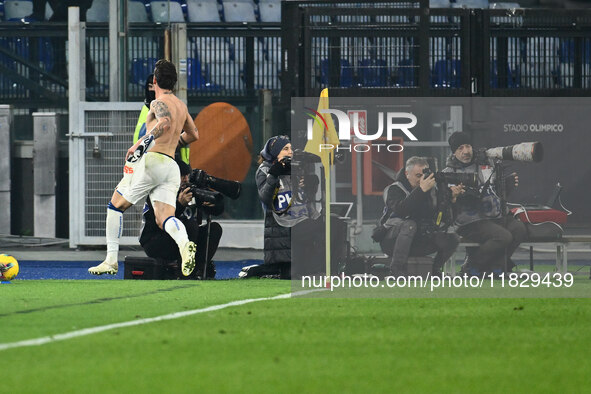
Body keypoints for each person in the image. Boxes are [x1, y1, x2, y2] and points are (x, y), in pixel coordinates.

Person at [89, 59, 199, 276]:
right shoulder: (182, 105)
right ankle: (184, 243)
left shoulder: (158, 102)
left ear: (155, 80)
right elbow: (194, 135)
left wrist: (142, 143)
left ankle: (111, 260)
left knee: (115, 205)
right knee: (163, 218)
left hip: (153, 161)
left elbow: (164, 123)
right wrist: (174, 142)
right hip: (170, 166)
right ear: (174, 82)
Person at [252, 135, 346, 279]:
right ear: (275, 152)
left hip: (303, 218)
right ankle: (316, 270)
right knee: (327, 228)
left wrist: (310, 183)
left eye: (291, 148)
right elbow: (265, 198)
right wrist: (274, 175)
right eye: (285, 149)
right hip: (285, 224)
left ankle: (330, 269)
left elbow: (305, 197)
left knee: (337, 223)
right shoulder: (265, 170)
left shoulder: (295, 167)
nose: (290, 152)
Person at [442, 131, 527, 274]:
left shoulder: (486, 165)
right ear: (454, 152)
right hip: (469, 221)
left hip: (493, 216)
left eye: (468, 146)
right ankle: (471, 266)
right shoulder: (448, 172)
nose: (466, 151)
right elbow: (445, 201)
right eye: (460, 148)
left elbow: (496, 193)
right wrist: (455, 194)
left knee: (519, 229)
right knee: (503, 237)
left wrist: (506, 186)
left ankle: (497, 266)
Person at [374, 156, 462, 276]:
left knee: (453, 237)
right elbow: (402, 210)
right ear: (407, 174)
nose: (422, 179)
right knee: (409, 225)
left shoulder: (433, 191)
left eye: (424, 175)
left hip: (418, 241)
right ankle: (397, 271)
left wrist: (452, 200)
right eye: (418, 176)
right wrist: (421, 190)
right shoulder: (394, 189)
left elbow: (447, 220)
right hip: (391, 242)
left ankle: (435, 271)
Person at [139, 159, 221, 279]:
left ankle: (197, 269)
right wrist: (180, 204)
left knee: (214, 228)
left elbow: (218, 209)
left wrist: (213, 204)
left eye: (187, 175)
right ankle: (184, 273)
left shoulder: (188, 190)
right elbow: (161, 223)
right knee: (190, 225)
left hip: (184, 238)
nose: (185, 179)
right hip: (155, 240)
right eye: (182, 175)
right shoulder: (160, 191)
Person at [134, 74, 190, 165]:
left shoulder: (171, 106)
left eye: (154, 86)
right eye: (149, 86)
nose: (152, 90)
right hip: (148, 158)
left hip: (171, 157)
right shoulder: (146, 107)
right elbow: (139, 133)